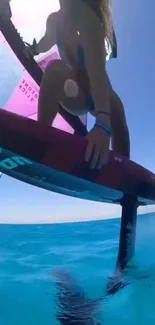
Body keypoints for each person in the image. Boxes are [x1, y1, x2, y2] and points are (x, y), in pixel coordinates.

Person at [26, 0, 130, 169]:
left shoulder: (89, 20)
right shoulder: (54, 20)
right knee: (54, 69)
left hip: (101, 96)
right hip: (76, 94)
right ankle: (41, 136)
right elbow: (46, 42)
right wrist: (34, 50)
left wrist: (103, 123)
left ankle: (124, 171)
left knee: (117, 106)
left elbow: (96, 73)